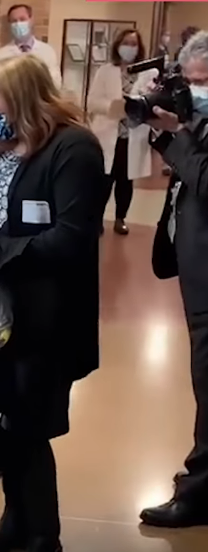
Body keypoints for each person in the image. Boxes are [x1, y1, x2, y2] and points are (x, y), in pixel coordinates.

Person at [0, 54, 106, 552]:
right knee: (2, 420)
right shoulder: (8, 151)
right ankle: (15, 524)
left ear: (22, 98)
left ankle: (42, 535)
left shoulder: (74, 149)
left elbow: (72, 237)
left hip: (46, 315)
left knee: (29, 425)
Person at [140, 30, 208, 529]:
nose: (195, 91)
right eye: (190, 81)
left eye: (204, 82)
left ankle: (199, 492)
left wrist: (180, 135)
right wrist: (166, 134)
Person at [87, 28, 156, 235]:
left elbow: (154, 102)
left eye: (134, 44)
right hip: (109, 132)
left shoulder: (148, 73)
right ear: (117, 45)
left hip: (133, 135)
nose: (129, 47)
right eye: (126, 43)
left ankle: (120, 218)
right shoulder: (105, 71)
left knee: (126, 181)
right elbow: (92, 102)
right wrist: (113, 107)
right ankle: (96, 219)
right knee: (104, 179)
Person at [0, 4, 62, 89]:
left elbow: (55, 83)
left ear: (31, 20)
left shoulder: (47, 51)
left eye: (22, 19)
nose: (18, 24)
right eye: (14, 21)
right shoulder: (2, 54)